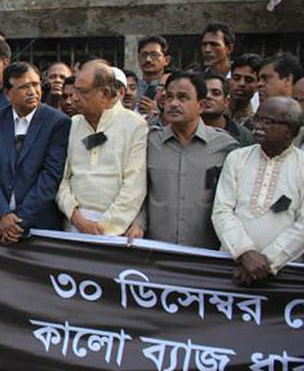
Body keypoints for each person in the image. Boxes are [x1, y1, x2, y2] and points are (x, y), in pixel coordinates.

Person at [130, 72, 238, 249]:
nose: (173, 104)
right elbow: (139, 191)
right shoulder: (149, 141)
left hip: (206, 253)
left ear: (201, 105)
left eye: (182, 98)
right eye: (169, 97)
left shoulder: (225, 146)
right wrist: (138, 223)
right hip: (155, 250)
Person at [212, 96, 304, 285]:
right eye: (257, 118)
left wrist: (267, 261)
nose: (258, 126)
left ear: (291, 131)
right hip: (231, 266)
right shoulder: (237, 158)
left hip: (284, 275)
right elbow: (222, 210)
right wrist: (245, 253)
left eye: (268, 122)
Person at [0, 62, 71, 243]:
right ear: (8, 93)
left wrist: (17, 222)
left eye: (35, 85)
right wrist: (2, 214)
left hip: (38, 226)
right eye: (23, 87)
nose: (32, 92)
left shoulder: (58, 122)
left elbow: (50, 176)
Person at [56, 61, 148, 236]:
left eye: (82, 92)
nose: (74, 98)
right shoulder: (72, 124)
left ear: (105, 94)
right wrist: (77, 219)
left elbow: (134, 186)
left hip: (116, 231)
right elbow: (61, 180)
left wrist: (104, 229)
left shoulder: (135, 125)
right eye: (74, 90)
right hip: (73, 225)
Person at [201, 73, 254, 146]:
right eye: (203, 93)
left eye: (216, 93)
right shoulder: (184, 131)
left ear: (226, 101)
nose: (208, 96)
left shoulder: (244, 137)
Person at [136, 35, 171, 116]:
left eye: (154, 55)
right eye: (144, 55)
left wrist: (158, 112)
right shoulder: (132, 88)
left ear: (166, 60)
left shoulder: (172, 88)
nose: (148, 59)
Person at [229, 53, 262, 126]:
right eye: (236, 78)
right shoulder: (215, 111)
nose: (241, 84)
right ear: (230, 80)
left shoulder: (258, 121)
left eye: (249, 80)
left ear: (258, 85)